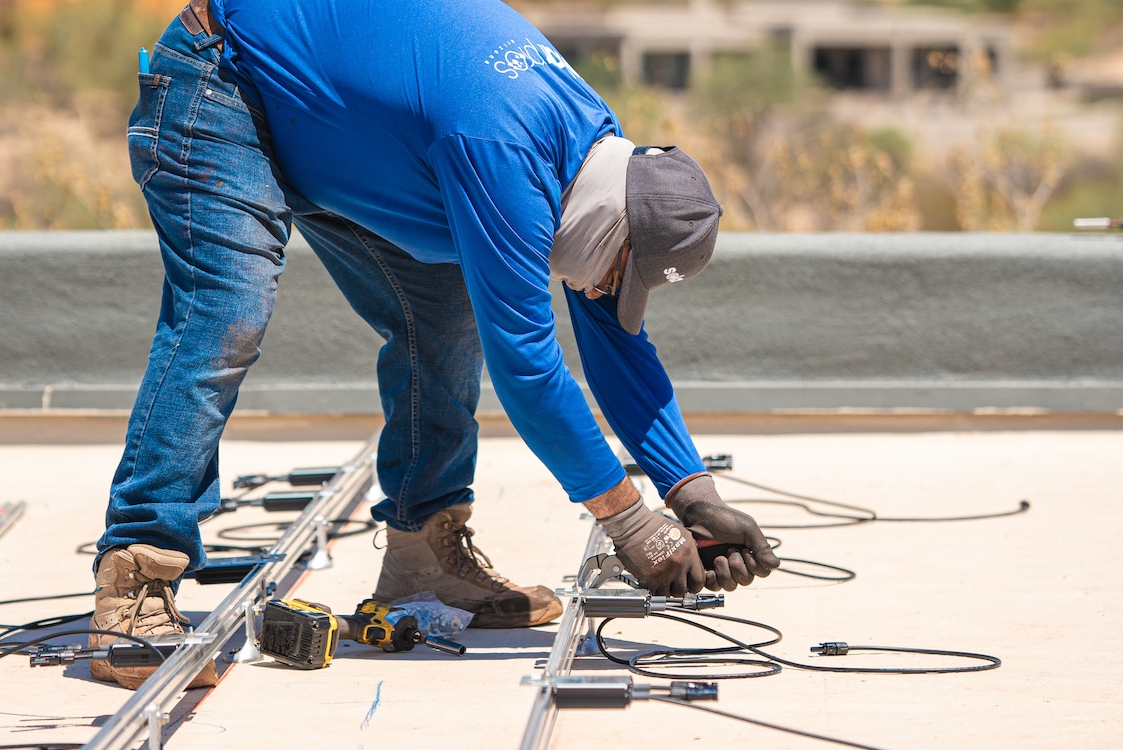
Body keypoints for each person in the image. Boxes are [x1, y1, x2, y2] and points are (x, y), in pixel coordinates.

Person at [90, 0, 780, 690]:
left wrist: (691, 492)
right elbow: (529, 369)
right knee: (226, 309)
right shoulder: (509, 151)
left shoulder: (599, 172)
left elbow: (616, 344)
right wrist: (630, 523)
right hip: (224, 84)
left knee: (443, 314)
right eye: (617, 280)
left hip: (335, 127)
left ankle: (422, 559)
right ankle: (135, 576)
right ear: (612, 232)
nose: (602, 293)